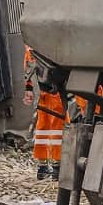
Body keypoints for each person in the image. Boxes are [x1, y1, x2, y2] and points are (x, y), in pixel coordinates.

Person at [23, 46, 63, 180]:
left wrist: (28, 89)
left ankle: (43, 167)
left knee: (42, 128)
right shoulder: (53, 43)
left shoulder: (32, 47)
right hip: (56, 92)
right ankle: (57, 167)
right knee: (57, 128)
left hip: (42, 92)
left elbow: (28, 67)